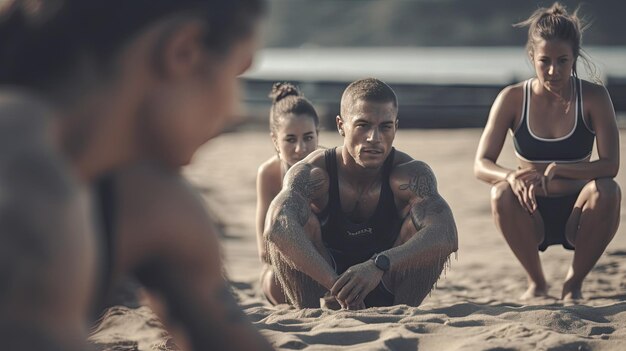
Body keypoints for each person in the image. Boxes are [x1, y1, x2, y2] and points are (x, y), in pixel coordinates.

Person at [0, 1, 272, 350]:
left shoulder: (150, 203)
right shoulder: (25, 190)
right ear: (183, 50)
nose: (236, 110)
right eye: (238, 73)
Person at [263, 78, 458, 310]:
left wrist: (379, 265)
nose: (373, 138)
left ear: (395, 127)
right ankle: (309, 313)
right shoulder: (314, 172)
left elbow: (447, 234)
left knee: (424, 228)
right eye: (363, 125)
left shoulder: (410, 175)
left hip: (386, 279)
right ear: (340, 126)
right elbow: (276, 225)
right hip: (328, 280)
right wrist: (339, 287)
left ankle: (401, 313)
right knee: (292, 223)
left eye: (385, 126)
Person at [474, 2, 620, 301]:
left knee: (609, 191)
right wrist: (511, 176)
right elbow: (481, 164)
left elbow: (610, 165)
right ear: (532, 56)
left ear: (574, 57)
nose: (553, 71)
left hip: (580, 212)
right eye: (545, 61)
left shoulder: (594, 97)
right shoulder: (512, 99)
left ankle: (573, 283)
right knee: (499, 192)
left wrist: (562, 169)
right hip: (531, 210)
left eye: (562, 61)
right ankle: (537, 282)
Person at [255, 83, 320, 305]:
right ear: (275, 140)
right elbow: (264, 249)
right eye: (290, 139)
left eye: (308, 137)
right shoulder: (269, 173)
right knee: (272, 281)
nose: (301, 148)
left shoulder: (330, 166)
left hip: (327, 262)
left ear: (318, 134)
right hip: (284, 264)